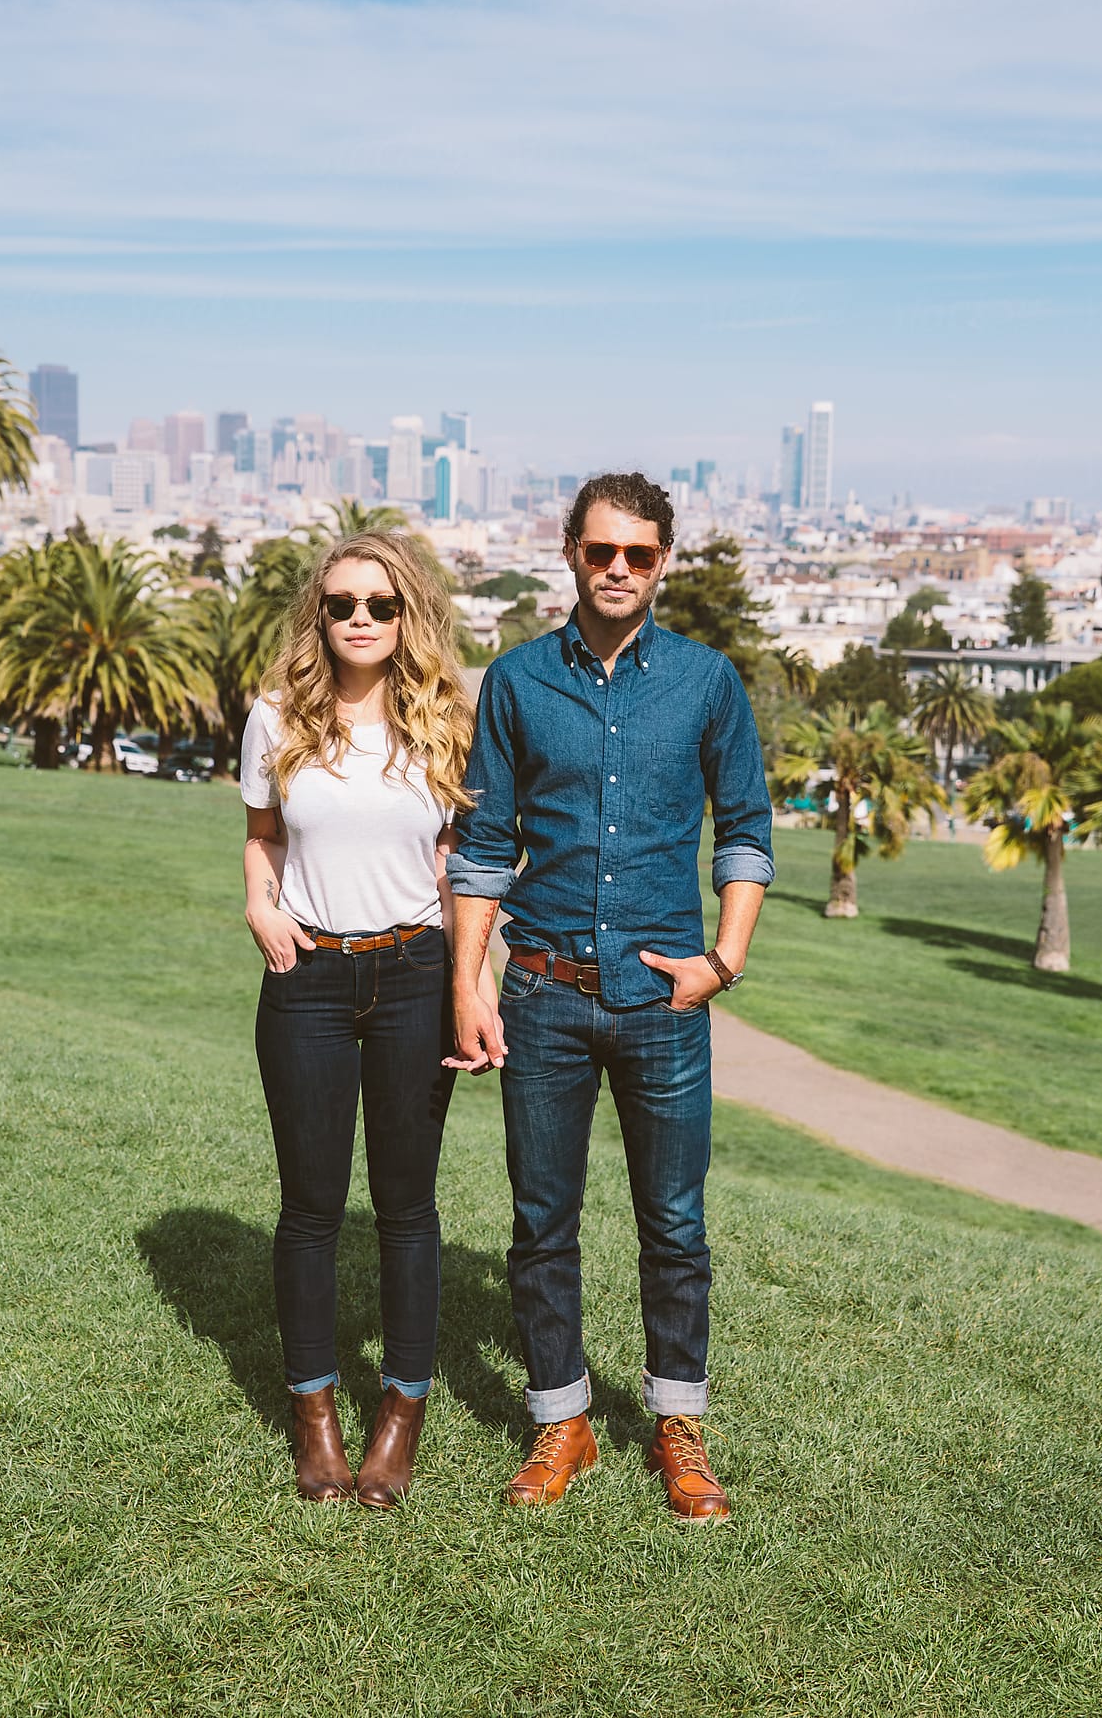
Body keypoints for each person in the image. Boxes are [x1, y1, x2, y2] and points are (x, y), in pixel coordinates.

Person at [445, 472, 774, 1522]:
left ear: (663, 559)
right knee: (543, 1223)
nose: (618, 570)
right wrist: (469, 981)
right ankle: (564, 1421)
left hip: (661, 1001)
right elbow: (486, 848)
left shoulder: (708, 683)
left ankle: (678, 1426)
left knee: (673, 1225)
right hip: (540, 993)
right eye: (601, 552)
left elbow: (749, 831)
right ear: (571, 555)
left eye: (638, 554)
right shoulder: (518, 681)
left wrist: (721, 962)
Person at [241, 531, 498, 1509]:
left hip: (414, 975)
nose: (360, 619)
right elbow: (262, 836)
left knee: (406, 1207)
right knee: (309, 1208)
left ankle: (399, 1416)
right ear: (320, 614)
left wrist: (470, 986)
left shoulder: (444, 721)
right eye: (343, 603)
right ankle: (314, 1417)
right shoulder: (275, 716)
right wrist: (262, 905)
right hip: (306, 977)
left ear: (407, 616)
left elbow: (469, 867)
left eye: (380, 605)